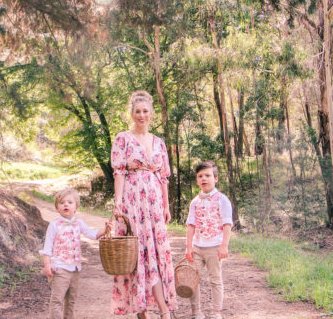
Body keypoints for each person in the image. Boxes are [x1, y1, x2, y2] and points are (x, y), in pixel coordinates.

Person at [111, 90, 177, 319]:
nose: (142, 115)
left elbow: (164, 177)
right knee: (138, 254)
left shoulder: (159, 142)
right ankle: (149, 311)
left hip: (155, 204)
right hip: (133, 201)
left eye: (145, 111)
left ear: (151, 114)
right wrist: (118, 202)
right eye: (137, 111)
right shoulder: (123, 138)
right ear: (131, 113)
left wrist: (167, 206)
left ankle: (159, 308)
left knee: (157, 254)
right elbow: (119, 172)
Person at [40, 188, 108, 319]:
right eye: (62, 202)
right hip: (59, 268)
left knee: (71, 300)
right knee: (57, 300)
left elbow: (92, 234)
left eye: (70, 202)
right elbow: (47, 246)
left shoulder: (79, 223)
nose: (66, 204)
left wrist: (104, 230)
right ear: (57, 208)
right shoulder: (54, 225)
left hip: (75, 268)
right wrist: (47, 264)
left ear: (76, 207)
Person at [185, 161, 233, 319]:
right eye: (200, 176)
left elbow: (227, 224)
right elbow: (191, 225)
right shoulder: (195, 201)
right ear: (197, 180)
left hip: (214, 247)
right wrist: (188, 247)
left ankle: (216, 312)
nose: (204, 178)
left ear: (216, 178)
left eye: (208, 175)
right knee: (193, 279)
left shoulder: (222, 200)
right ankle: (196, 311)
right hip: (197, 247)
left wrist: (224, 246)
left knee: (215, 279)